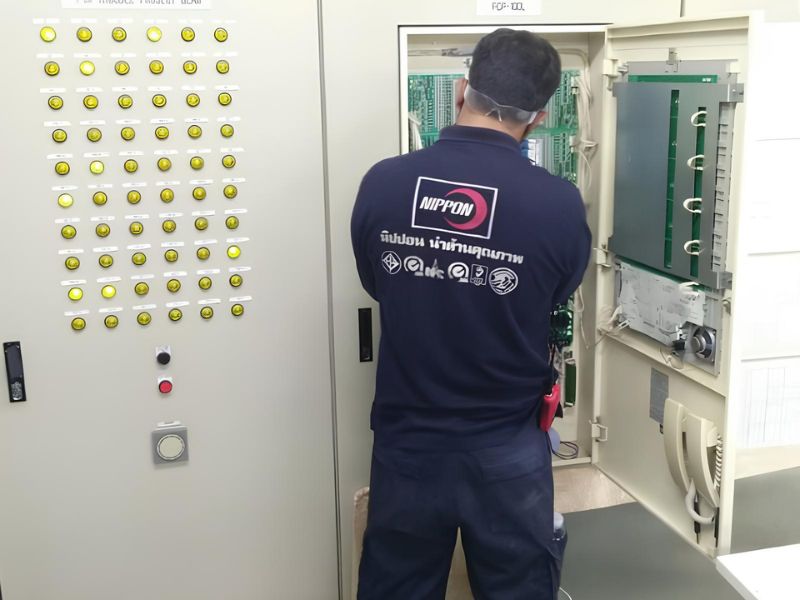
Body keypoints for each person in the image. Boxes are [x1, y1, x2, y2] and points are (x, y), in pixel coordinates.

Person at [351, 28, 591, 600]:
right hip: (507, 448)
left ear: (463, 90)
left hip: (408, 444)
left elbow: (378, 284)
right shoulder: (558, 204)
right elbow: (554, 296)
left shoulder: (384, 182)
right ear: (539, 118)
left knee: (398, 587)